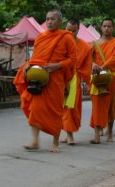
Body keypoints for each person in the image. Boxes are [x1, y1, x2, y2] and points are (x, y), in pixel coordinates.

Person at [13, 9, 77, 153]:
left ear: (60, 21)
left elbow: (73, 59)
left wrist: (58, 65)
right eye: (47, 19)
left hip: (56, 78)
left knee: (54, 110)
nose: (49, 22)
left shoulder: (66, 37)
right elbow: (35, 57)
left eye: (53, 19)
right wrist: (28, 65)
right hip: (39, 77)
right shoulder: (41, 37)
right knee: (35, 108)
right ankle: (35, 141)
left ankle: (55, 143)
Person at [90, 18, 115, 144]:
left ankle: (110, 132)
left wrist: (103, 66)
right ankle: (96, 134)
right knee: (97, 106)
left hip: (111, 77)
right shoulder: (94, 43)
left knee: (111, 105)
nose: (106, 29)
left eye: (109, 26)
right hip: (97, 77)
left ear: (113, 28)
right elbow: (90, 58)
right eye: (104, 26)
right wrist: (93, 64)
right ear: (101, 27)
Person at [61, 19, 93, 145]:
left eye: (73, 30)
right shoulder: (59, 43)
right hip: (60, 77)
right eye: (68, 29)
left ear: (78, 30)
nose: (70, 32)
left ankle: (70, 135)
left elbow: (87, 66)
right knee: (59, 107)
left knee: (70, 107)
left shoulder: (85, 47)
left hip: (74, 79)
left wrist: (88, 82)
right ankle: (64, 132)